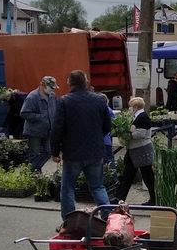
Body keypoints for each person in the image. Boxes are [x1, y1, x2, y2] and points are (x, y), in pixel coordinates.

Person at [51, 70, 112, 220]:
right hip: (95, 151)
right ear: (86, 82)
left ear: (69, 83)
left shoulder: (64, 101)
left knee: (68, 189)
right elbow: (107, 126)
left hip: (73, 153)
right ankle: (107, 216)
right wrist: (97, 138)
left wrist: (55, 151)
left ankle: (69, 221)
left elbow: (57, 128)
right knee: (97, 187)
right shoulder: (99, 100)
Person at [114, 97, 156, 205]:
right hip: (135, 151)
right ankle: (119, 198)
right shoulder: (138, 116)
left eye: (131, 106)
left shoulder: (142, 117)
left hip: (141, 151)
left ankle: (153, 199)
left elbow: (140, 134)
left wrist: (128, 134)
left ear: (136, 107)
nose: (129, 109)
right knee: (128, 175)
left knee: (147, 176)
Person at [20, 75, 58, 172]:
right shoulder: (32, 97)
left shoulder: (52, 96)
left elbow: (55, 110)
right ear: (42, 85)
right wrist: (42, 117)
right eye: (51, 88)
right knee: (35, 155)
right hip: (34, 132)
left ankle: (36, 169)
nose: (52, 90)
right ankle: (34, 174)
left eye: (53, 88)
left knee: (49, 152)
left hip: (48, 131)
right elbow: (24, 113)